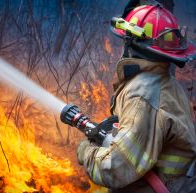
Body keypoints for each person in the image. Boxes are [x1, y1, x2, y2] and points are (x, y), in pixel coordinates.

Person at [76, 1, 196, 193]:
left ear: (131, 43)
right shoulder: (167, 84)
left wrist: (86, 151)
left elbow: (115, 169)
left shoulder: (143, 95)